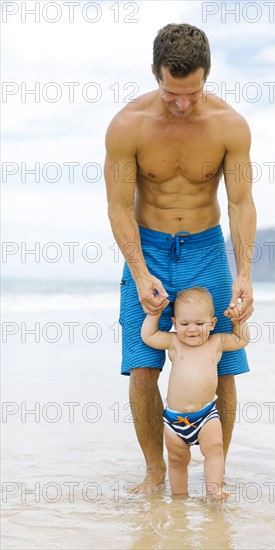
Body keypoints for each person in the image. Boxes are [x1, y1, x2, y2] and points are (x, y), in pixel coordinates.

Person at [104, 23, 256, 493]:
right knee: (144, 366)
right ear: (156, 73)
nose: (183, 103)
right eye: (173, 93)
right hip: (147, 248)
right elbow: (117, 205)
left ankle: (216, 476)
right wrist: (139, 270)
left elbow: (240, 202)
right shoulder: (127, 125)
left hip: (207, 250)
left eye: (192, 92)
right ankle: (155, 472)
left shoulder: (230, 125)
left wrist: (245, 273)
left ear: (206, 75)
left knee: (224, 368)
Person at [141, 287, 250, 501]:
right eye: (184, 324)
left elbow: (241, 340)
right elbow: (149, 336)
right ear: (174, 322)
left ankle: (214, 490)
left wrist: (239, 322)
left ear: (213, 323)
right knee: (176, 460)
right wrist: (153, 315)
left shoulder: (216, 342)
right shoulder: (174, 343)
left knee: (214, 450)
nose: (192, 329)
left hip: (206, 415)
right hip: (174, 420)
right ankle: (179, 498)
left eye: (200, 324)